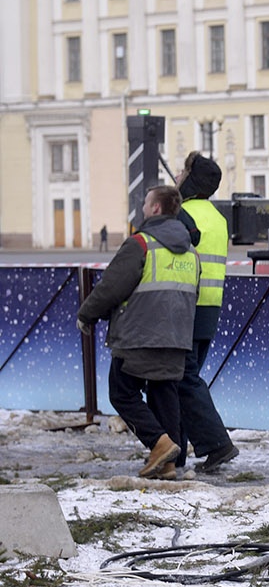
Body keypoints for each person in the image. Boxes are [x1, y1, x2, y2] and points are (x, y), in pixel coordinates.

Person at [77, 185, 200, 480]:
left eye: (146, 203)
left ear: (156, 208)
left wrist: (87, 314)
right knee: (164, 392)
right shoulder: (191, 252)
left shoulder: (140, 243)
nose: (143, 208)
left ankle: (159, 443)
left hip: (138, 336)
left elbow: (111, 287)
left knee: (122, 392)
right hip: (177, 337)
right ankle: (168, 465)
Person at [173, 151, 239, 473]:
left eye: (182, 171)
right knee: (185, 379)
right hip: (210, 307)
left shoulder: (183, 214)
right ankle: (178, 453)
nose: (177, 174)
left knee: (182, 379)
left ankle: (217, 444)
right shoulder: (218, 218)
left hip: (186, 307)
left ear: (191, 178)